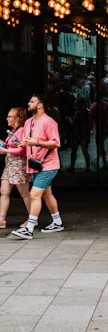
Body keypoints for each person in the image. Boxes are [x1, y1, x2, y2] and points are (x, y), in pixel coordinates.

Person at [11, 94, 64, 240]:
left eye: (32, 101)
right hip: (35, 165)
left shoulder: (49, 122)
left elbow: (56, 143)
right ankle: (57, 221)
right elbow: (28, 141)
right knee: (47, 194)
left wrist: (36, 143)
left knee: (34, 194)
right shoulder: (28, 122)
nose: (29, 103)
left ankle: (29, 228)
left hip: (48, 165)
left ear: (40, 105)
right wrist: (22, 143)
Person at [0, 107, 32, 228]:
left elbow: (22, 149)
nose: (7, 118)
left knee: (24, 193)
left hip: (18, 165)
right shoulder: (14, 130)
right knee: (4, 191)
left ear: (17, 119)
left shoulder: (22, 130)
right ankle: (1, 219)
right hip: (10, 165)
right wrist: (4, 145)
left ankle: (32, 218)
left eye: (10, 116)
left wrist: (5, 150)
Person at [68, 97, 91, 172]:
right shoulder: (87, 112)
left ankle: (72, 166)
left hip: (77, 134)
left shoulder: (78, 113)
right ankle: (88, 166)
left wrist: (69, 119)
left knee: (74, 151)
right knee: (85, 151)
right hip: (85, 134)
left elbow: (74, 123)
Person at [89, 95, 108, 170]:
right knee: (100, 145)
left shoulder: (94, 106)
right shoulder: (106, 104)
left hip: (98, 128)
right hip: (105, 127)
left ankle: (103, 162)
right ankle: (100, 160)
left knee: (100, 146)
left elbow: (90, 117)